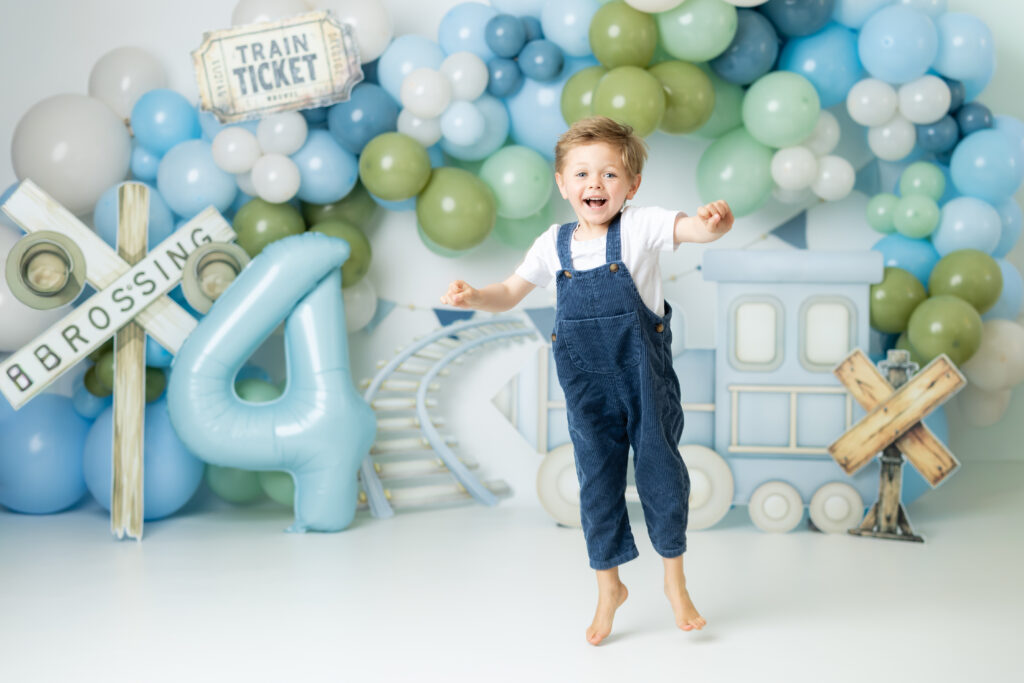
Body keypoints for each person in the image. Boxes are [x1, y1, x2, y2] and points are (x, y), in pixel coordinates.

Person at [440, 116, 734, 645]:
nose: (594, 184)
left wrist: (714, 224)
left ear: (632, 185)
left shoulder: (641, 227)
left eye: (609, 174)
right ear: (561, 183)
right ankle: (609, 587)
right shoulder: (552, 245)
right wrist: (475, 296)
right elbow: (509, 292)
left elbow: (693, 229)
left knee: (660, 471)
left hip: (644, 378)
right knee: (596, 481)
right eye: (581, 174)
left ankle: (675, 582)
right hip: (587, 388)